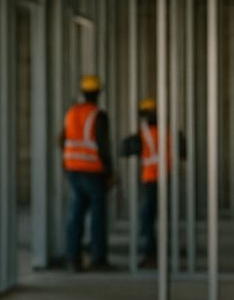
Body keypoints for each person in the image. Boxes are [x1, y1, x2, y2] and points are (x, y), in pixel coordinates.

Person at [60, 74, 116, 271]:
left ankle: (72, 258)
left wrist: (67, 163)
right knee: (98, 216)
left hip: (73, 169)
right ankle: (98, 258)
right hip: (93, 171)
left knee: (75, 214)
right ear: (98, 93)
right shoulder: (97, 115)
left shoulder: (71, 113)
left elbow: (61, 139)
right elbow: (103, 147)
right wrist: (110, 173)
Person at [121, 97, 184, 268]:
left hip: (151, 180)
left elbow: (124, 150)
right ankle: (171, 248)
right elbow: (183, 152)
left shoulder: (142, 135)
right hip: (169, 178)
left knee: (147, 217)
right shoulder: (170, 132)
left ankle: (151, 253)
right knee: (167, 215)